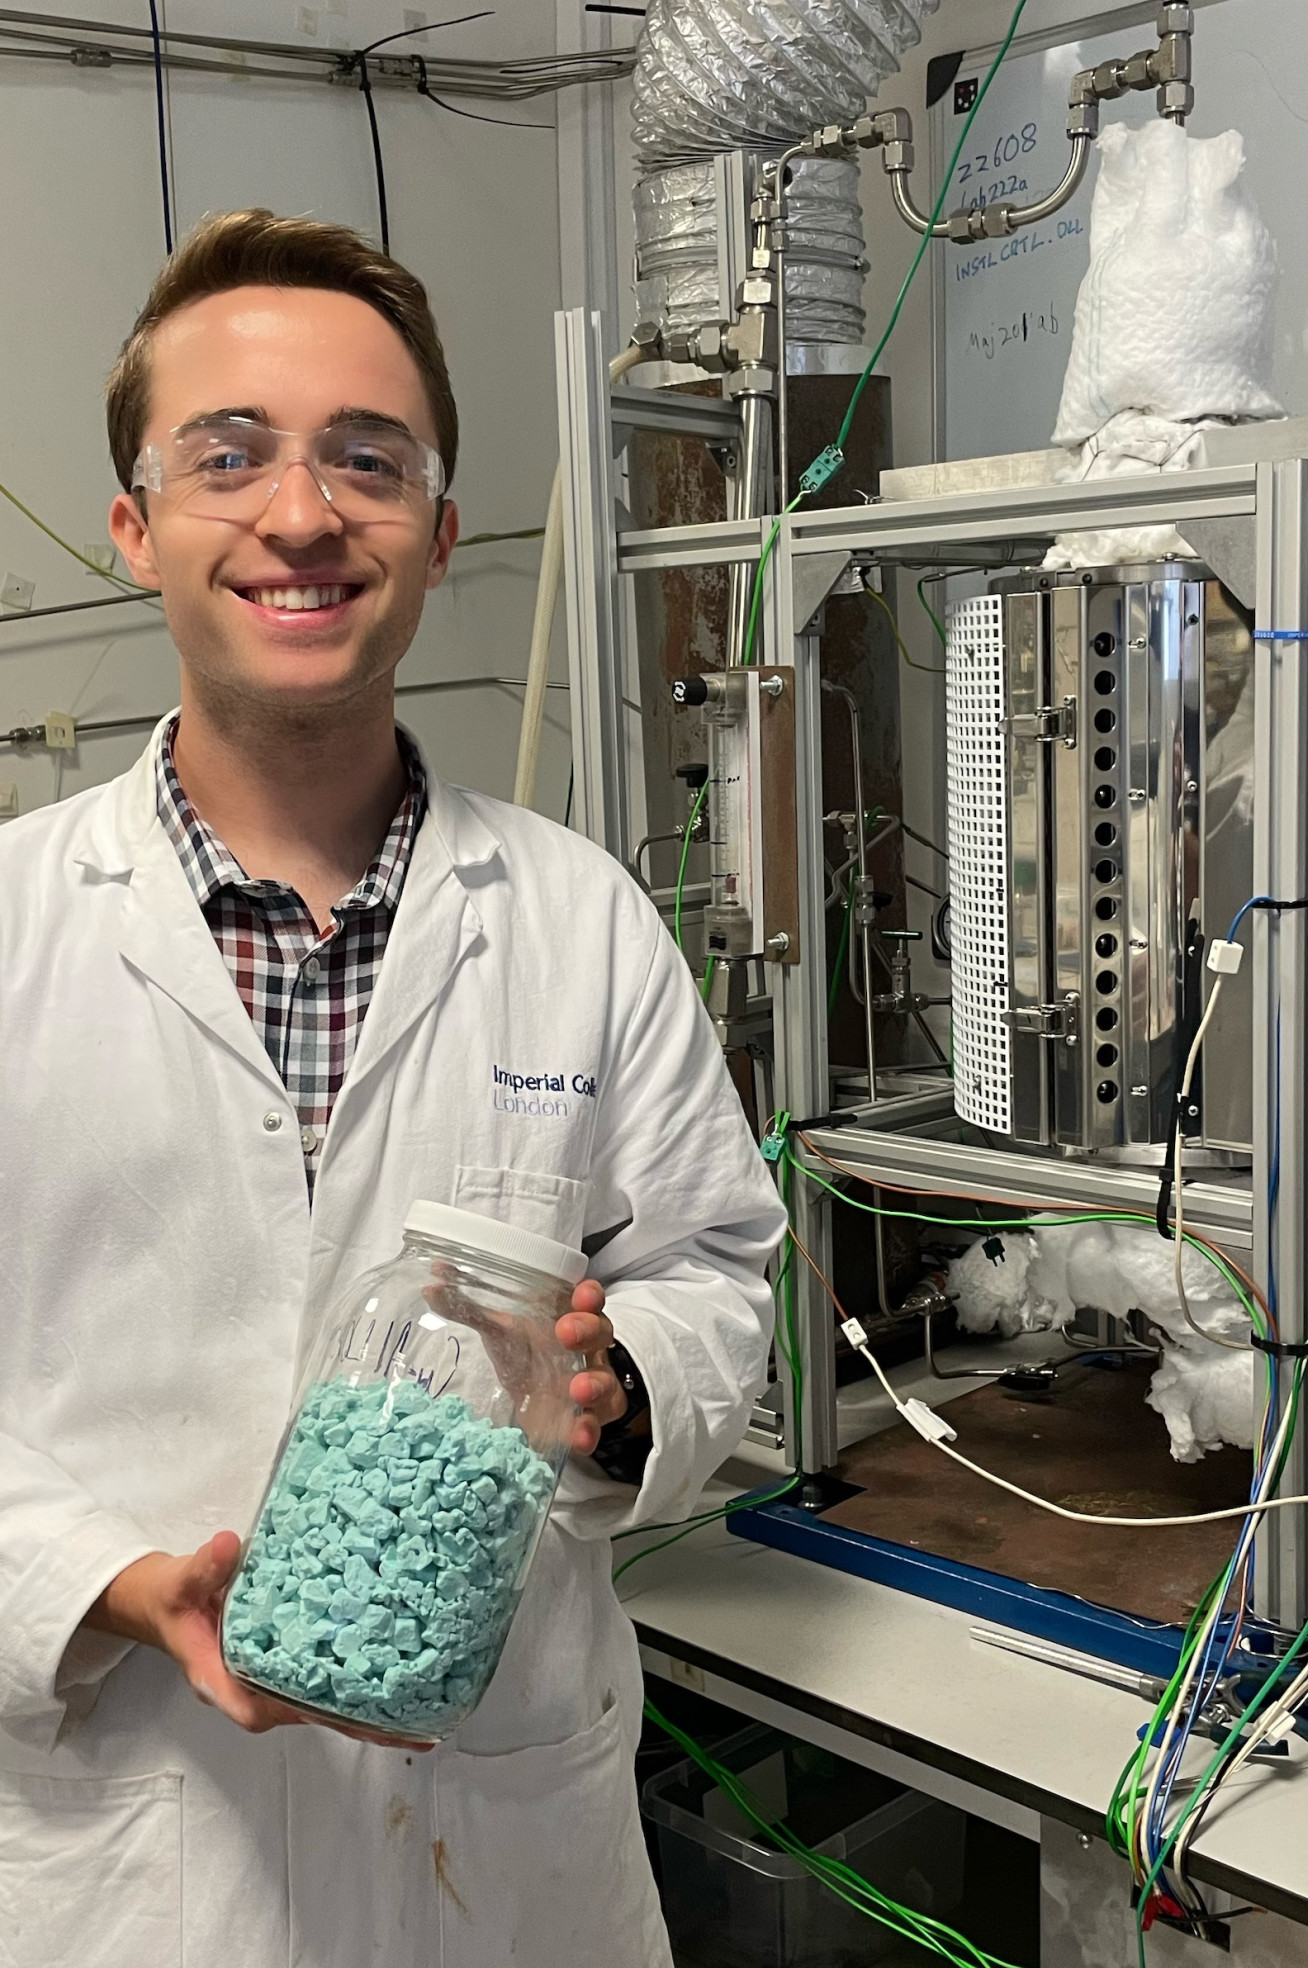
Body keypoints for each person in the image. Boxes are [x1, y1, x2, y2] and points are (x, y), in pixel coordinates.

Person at [0, 210, 786, 1968]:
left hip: (496, 1859)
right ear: (135, 529)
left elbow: (718, 1272)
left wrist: (624, 1391)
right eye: (231, 458)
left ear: (438, 534)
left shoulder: (577, 917)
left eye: (367, 459)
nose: (301, 514)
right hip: (119, 1858)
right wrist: (93, 1587)